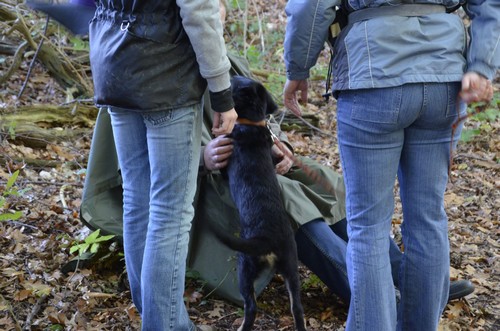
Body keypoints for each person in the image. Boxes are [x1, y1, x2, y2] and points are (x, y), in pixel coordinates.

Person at [191, 52, 475, 310]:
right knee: (289, 202)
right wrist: (204, 157)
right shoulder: (179, 73)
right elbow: (160, 157)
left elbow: (266, 114)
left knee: (330, 184)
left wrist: (283, 147)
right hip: (224, 183)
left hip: (261, 161)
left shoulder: (230, 61)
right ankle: (374, 297)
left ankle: (410, 282)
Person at [283, 1, 498, 330]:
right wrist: (481, 65)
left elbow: (311, 6)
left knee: (368, 228)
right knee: (427, 218)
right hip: (444, 76)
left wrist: (298, 68)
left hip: (372, 71)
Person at [87, 0, 237, 330]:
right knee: (169, 213)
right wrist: (222, 93)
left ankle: (159, 319)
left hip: (114, 64)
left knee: (138, 201)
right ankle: (163, 324)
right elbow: (199, 10)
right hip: (166, 73)